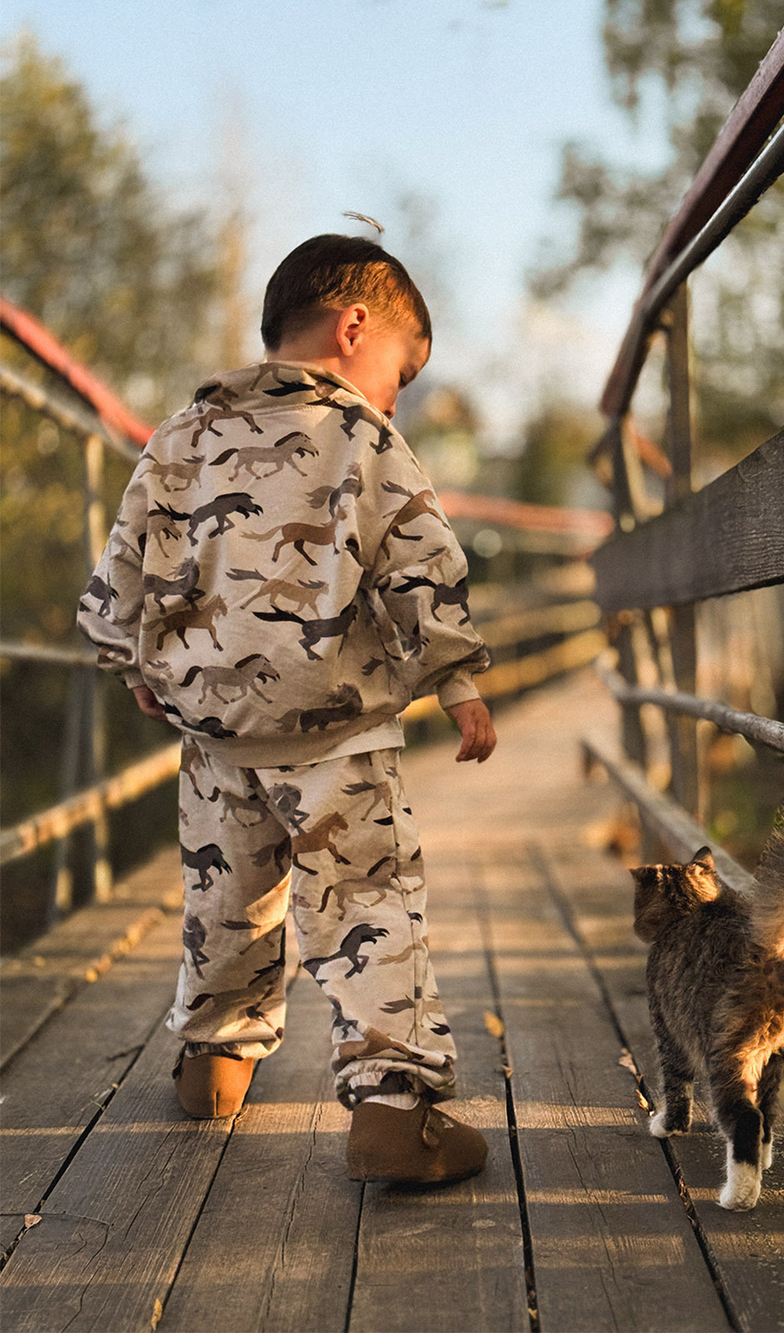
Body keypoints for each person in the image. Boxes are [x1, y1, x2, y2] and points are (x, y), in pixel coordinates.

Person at [78, 233, 497, 1185]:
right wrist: (457, 677)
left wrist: (132, 659)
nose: (398, 395)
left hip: (214, 732)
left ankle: (214, 1062)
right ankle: (396, 1113)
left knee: (226, 894)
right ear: (355, 328)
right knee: (365, 901)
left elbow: (126, 563)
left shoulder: (181, 434)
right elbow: (419, 563)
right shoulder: (366, 437)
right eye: (403, 370)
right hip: (335, 734)